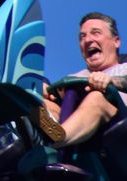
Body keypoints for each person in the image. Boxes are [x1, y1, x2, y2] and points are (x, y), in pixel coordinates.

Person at [40, 12, 127, 146]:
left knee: (96, 97)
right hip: (76, 130)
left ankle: (56, 140)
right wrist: (42, 88)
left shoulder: (124, 67)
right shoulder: (75, 77)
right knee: (42, 102)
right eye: (82, 37)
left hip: (119, 127)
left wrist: (110, 81)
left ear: (116, 41)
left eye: (96, 33)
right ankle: (46, 135)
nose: (87, 40)